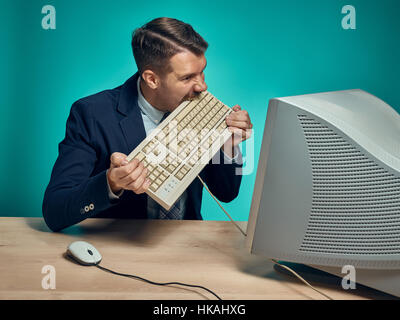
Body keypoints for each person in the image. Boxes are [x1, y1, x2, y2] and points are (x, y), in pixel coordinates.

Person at [42, 17, 253, 232]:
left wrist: (229, 145)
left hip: (188, 243)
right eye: (188, 77)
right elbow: (55, 210)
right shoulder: (91, 114)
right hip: (121, 247)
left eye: (202, 71)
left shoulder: (196, 104)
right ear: (152, 79)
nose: (203, 86)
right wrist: (111, 183)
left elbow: (226, 194)